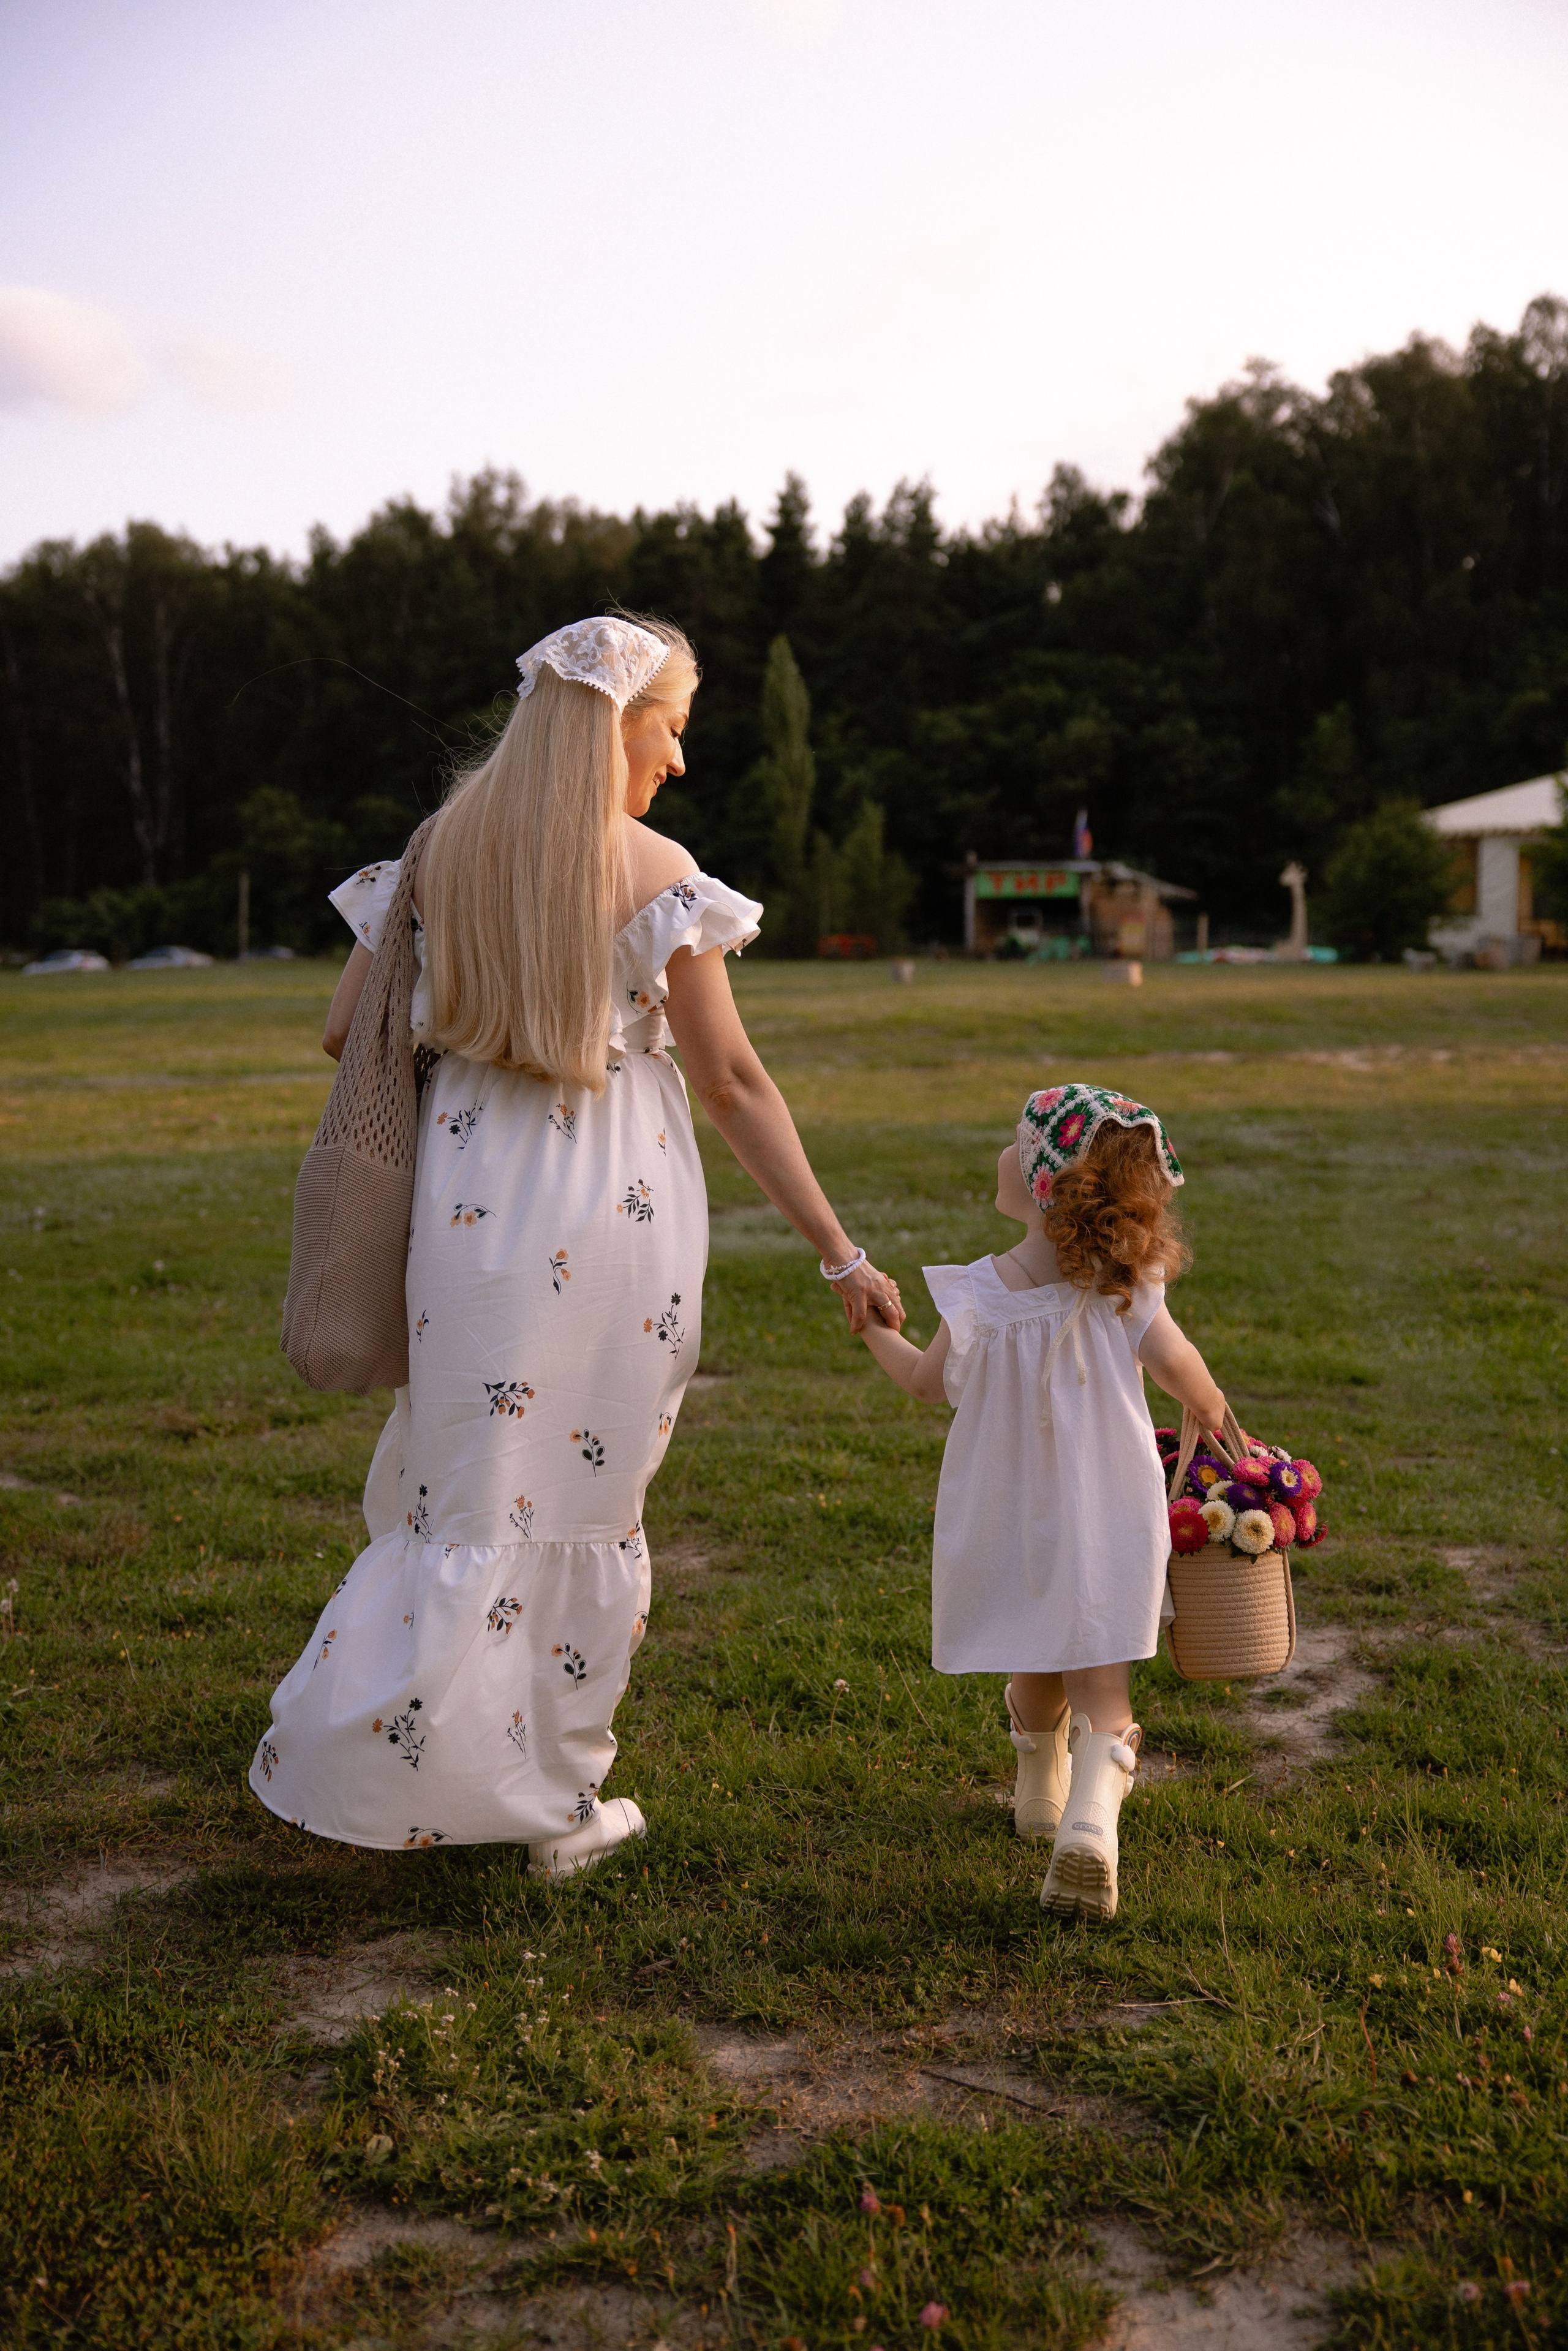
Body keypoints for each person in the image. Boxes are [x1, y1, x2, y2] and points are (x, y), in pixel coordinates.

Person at [250, 615, 902, 1877]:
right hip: (611, 1207)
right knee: (584, 1497)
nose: (679, 758)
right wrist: (837, 1248)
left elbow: (345, 1030)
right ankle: (552, 1801)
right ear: (617, 721)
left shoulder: (441, 848)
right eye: (672, 727)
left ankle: (385, 1759)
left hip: (466, 1203)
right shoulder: (654, 868)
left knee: (463, 1483)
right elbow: (732, 1081)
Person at [856, 1084, 1224, 1923]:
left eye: (1014, 1144)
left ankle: (1041, 1794)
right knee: (1099, 1680)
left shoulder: (982, 1292)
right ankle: (1086, 1818)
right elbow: (1184, 1372)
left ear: (1039, 1181)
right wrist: (1212, 1410)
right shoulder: (1128, 1287)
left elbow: (924, 1382)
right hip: (1108, 1516)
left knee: (1038, 1652)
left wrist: (872, 1325)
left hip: (1013, 1518)